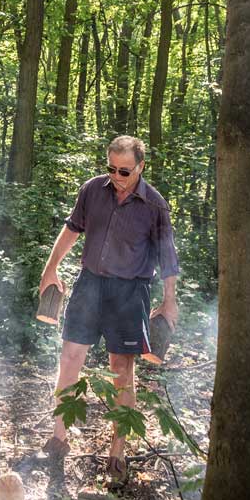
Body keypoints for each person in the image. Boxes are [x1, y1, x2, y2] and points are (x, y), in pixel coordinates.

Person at [38, 135, 179, 481]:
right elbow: (72, 230)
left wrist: (169, 301)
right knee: (70, 357)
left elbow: (167, 257)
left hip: (131, 292)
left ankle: (117, 452)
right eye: (111, 168)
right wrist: (50, 269)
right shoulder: (92, 190)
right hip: (90, 284)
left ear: (141, 167)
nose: (116, 175)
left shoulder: (155, 205)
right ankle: (59, 436)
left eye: (124, 170)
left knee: (122, 370)